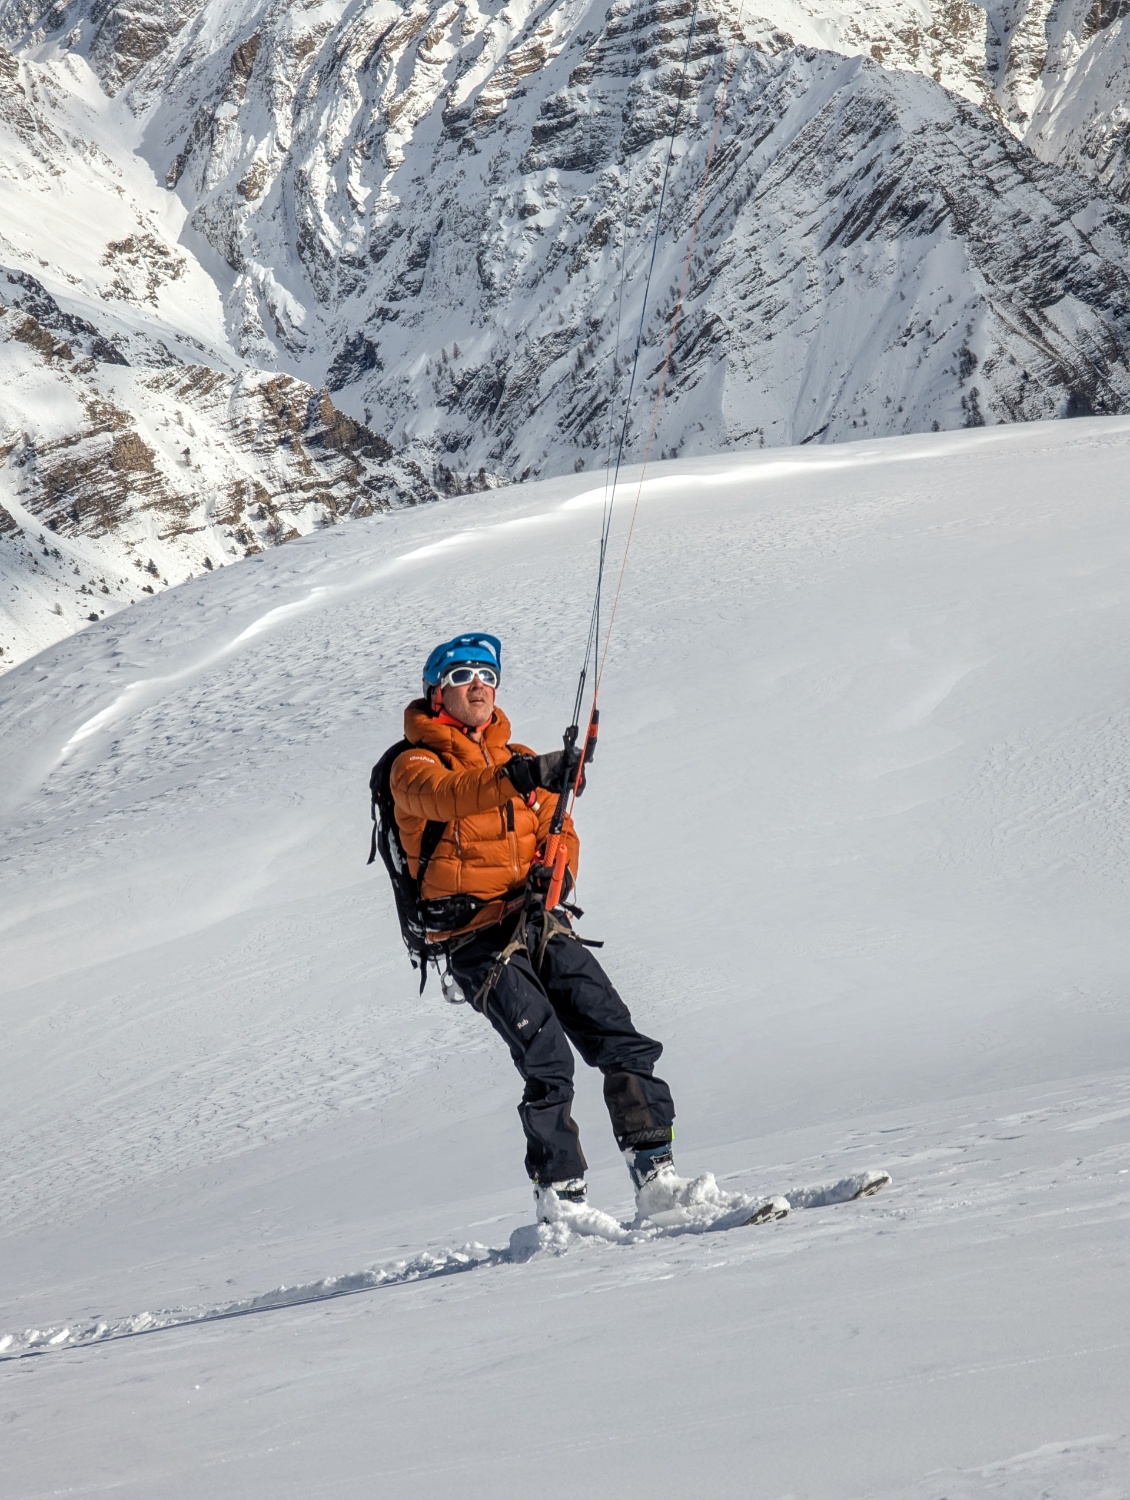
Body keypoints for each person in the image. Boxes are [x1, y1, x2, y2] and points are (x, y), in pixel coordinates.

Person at [390, 631, 677, 1221]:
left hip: (538, 919)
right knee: (548, 1057)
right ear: (438, 692)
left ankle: (657, 1176)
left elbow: (560, 829)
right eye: (463, 675)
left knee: (617, 1034)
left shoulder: (518, 757)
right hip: (473, 937)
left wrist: (559, 870)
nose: (479, 685)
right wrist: (526, 777)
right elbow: (449, 797)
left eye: (488, 676)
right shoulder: (413, 764)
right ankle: (562, 1197)